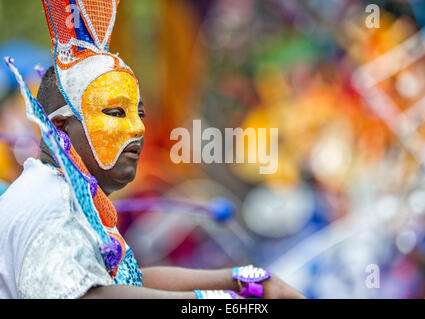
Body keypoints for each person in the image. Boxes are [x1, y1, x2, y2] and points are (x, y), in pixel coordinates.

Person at [0, 0, 304, 299]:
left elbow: (127, 280)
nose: (138, 128)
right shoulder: (52, 205)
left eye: (139, 114)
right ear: (63, 126)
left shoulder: (69, 195)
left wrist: (242, 281)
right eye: (116, 112)